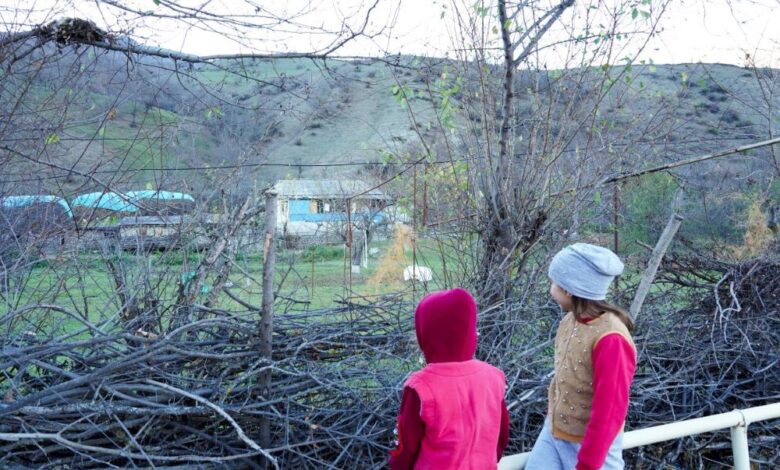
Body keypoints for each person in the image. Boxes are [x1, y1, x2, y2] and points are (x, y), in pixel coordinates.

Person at [525, 243, 637, 470]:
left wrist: (588, 464)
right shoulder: (570, 320)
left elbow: (610, 409)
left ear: (568, 289)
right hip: (554, 433)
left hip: (594, 449)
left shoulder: (611, 339)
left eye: (553, 282)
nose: (550, 288)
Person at [389, 288, 510, 469]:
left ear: (426, 334)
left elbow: (405, 451)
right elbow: (502, 436)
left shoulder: (420, 387)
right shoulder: (494, 377)